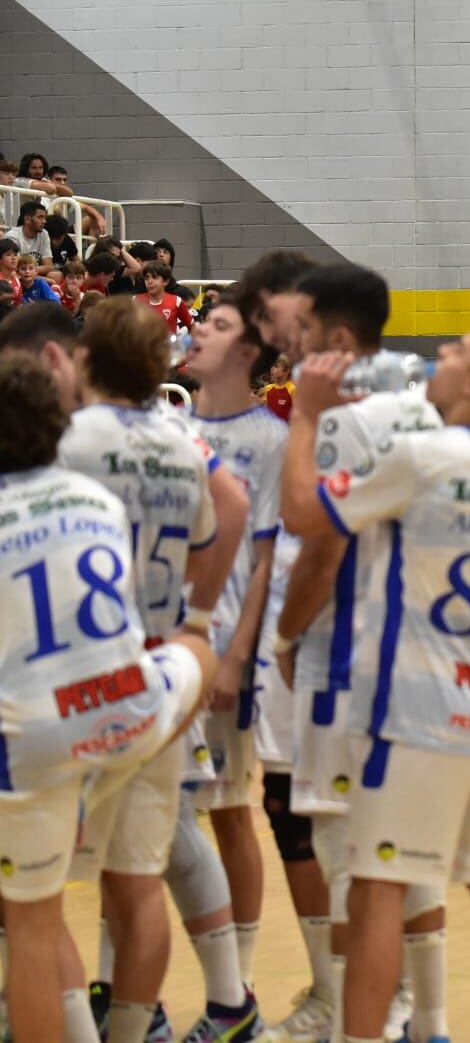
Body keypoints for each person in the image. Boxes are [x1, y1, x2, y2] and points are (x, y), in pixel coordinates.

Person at [280, 317, 470, 1043]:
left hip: (409, 719)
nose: (438, 356)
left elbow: (301, 513)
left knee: (376, 894)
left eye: (456, 351)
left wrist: (307, 415)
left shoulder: (422, 456)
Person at [0, 352, 215, 1043]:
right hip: (131, 706)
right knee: (199, 651)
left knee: (30, 920)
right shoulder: (94, 497)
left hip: (36, 732)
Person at [53, 298, 246, 1041]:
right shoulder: (180, 440)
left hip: (78, 671)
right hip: (162, 671)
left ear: (86, 359)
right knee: (138, 879)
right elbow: (230, 502)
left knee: (31, 888)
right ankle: (134, 1030)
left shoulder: (70, 436)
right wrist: (199, 615)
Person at [272, 265, 449, 1043]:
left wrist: (284, 632)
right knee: (408, 851)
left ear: (339, 340)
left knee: (350, 861)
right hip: (423, 663)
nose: (293, 346)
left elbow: (316, 537)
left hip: (350, 665)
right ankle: (427, 1017)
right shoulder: (429, 414)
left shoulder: (344, 420)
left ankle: (365, 1019)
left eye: (305, 332)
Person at [186, 291, 289, 1035]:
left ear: (250, 352)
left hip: (224, 652)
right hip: (166, 652)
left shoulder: (270, 438)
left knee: (226, 815)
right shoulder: (171, 427)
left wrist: (240, 653)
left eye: (216, 324)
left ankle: (238, 990)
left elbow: (265, 559)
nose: (196, 327)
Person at [134, 260, 194, 336]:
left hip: (168, 347)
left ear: (165, 281)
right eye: (147, 278)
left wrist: (190, 344)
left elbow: (192, 326)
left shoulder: (176, 301)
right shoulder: (135, 301)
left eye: (155, 277)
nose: (149, 281)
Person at [5, 201, 52, 268]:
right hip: (16, 274)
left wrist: (33, 272)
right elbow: (12, 267)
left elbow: (49, 266)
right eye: (40, 217)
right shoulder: (12, 237)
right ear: (27, 219)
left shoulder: (44, 234)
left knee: (55, 275)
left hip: (32, 274)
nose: (44, 221)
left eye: (44, 217)